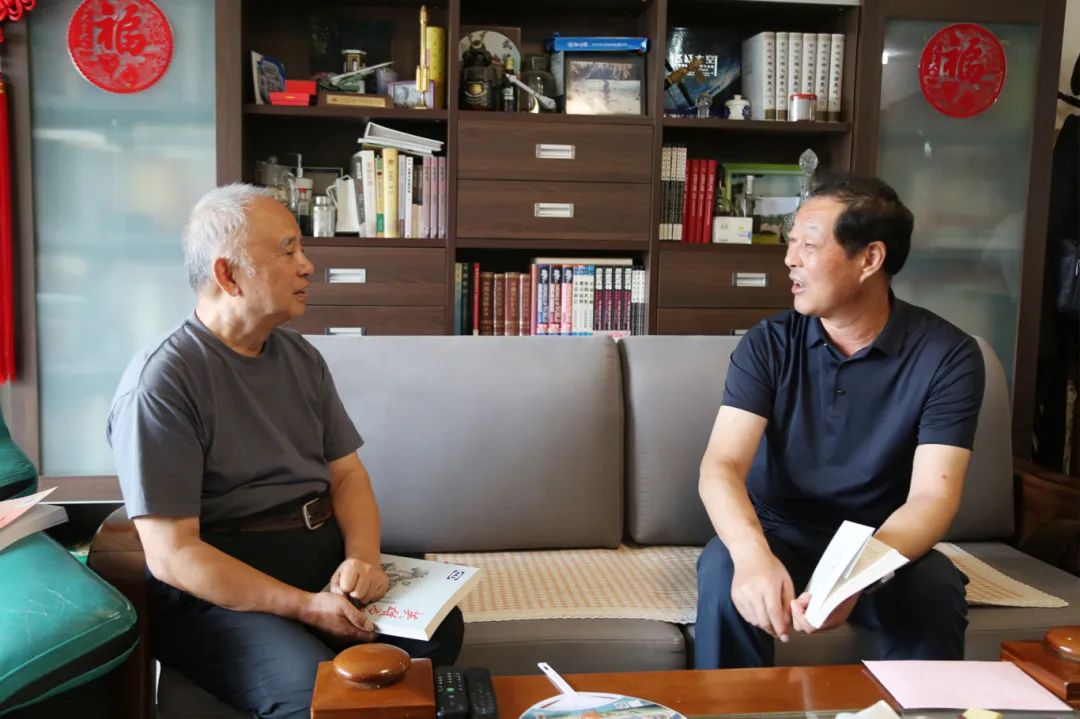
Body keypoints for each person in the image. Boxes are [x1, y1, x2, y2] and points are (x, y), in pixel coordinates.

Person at [106, 184, 463, 718]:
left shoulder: (301, 357)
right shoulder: (162, 382)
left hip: (318, 558)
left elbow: (348, 476)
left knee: (437, 633)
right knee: (311, 692)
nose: (308, 265)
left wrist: (362, 559)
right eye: (288, 250)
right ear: (228, 275)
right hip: (223, 588)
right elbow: (173, 554)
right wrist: (305, 608)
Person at [695, 172, 985, 669]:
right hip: (777, 532)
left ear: (870, 259)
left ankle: (924, 706)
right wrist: (751, 554)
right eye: (791, 243)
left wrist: (855, 574)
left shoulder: (948, 355)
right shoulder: (769, 344)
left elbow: (933, 498)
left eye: (808, 245)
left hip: (880, 541)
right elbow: (721, 465)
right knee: (725, 575)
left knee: (934, 588)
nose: (790, 259)